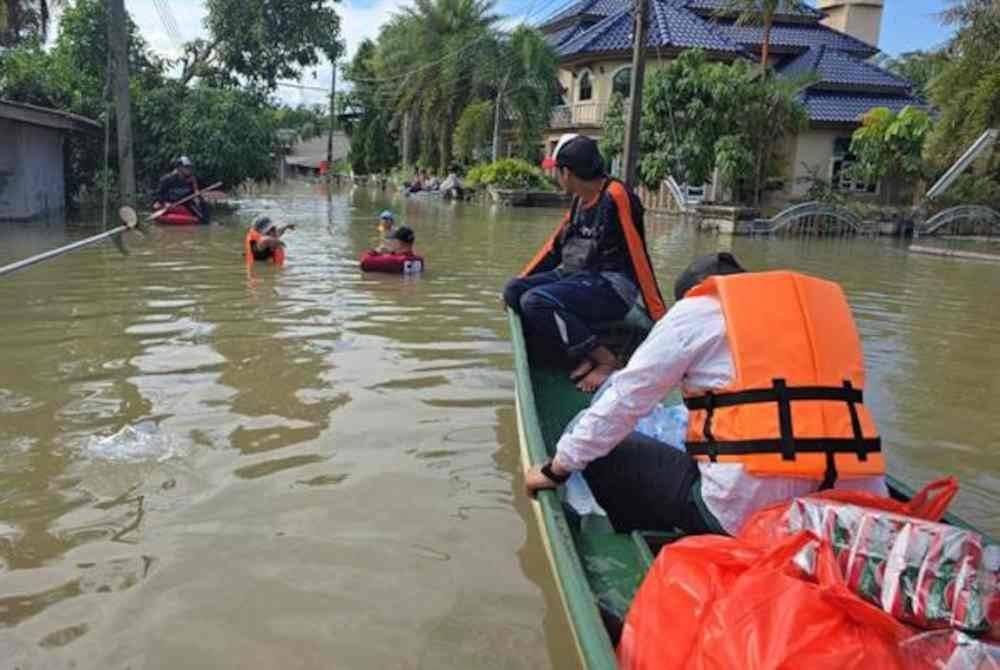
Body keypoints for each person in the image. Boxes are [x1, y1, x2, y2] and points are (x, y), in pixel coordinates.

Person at [524, 253, 888, 537]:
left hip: (745, 520)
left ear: (697, 292)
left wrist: (557, 468)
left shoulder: (696, 310)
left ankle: (653, 543)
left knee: (605, 451)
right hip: (850, 515)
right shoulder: (819, 317)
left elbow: (625, 400)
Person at [503, 133, 666, 392]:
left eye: (556, 171)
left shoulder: (616, 196)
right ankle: (580, 353)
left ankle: (607, 360)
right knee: (514, 291)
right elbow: (553, 248)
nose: (555, 176)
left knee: (535, 301)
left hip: (612, 287)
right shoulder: (579, 199)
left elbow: (640, 257)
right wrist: (521, 280)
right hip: (579, 278)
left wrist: (660, 319)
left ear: (566, 173)